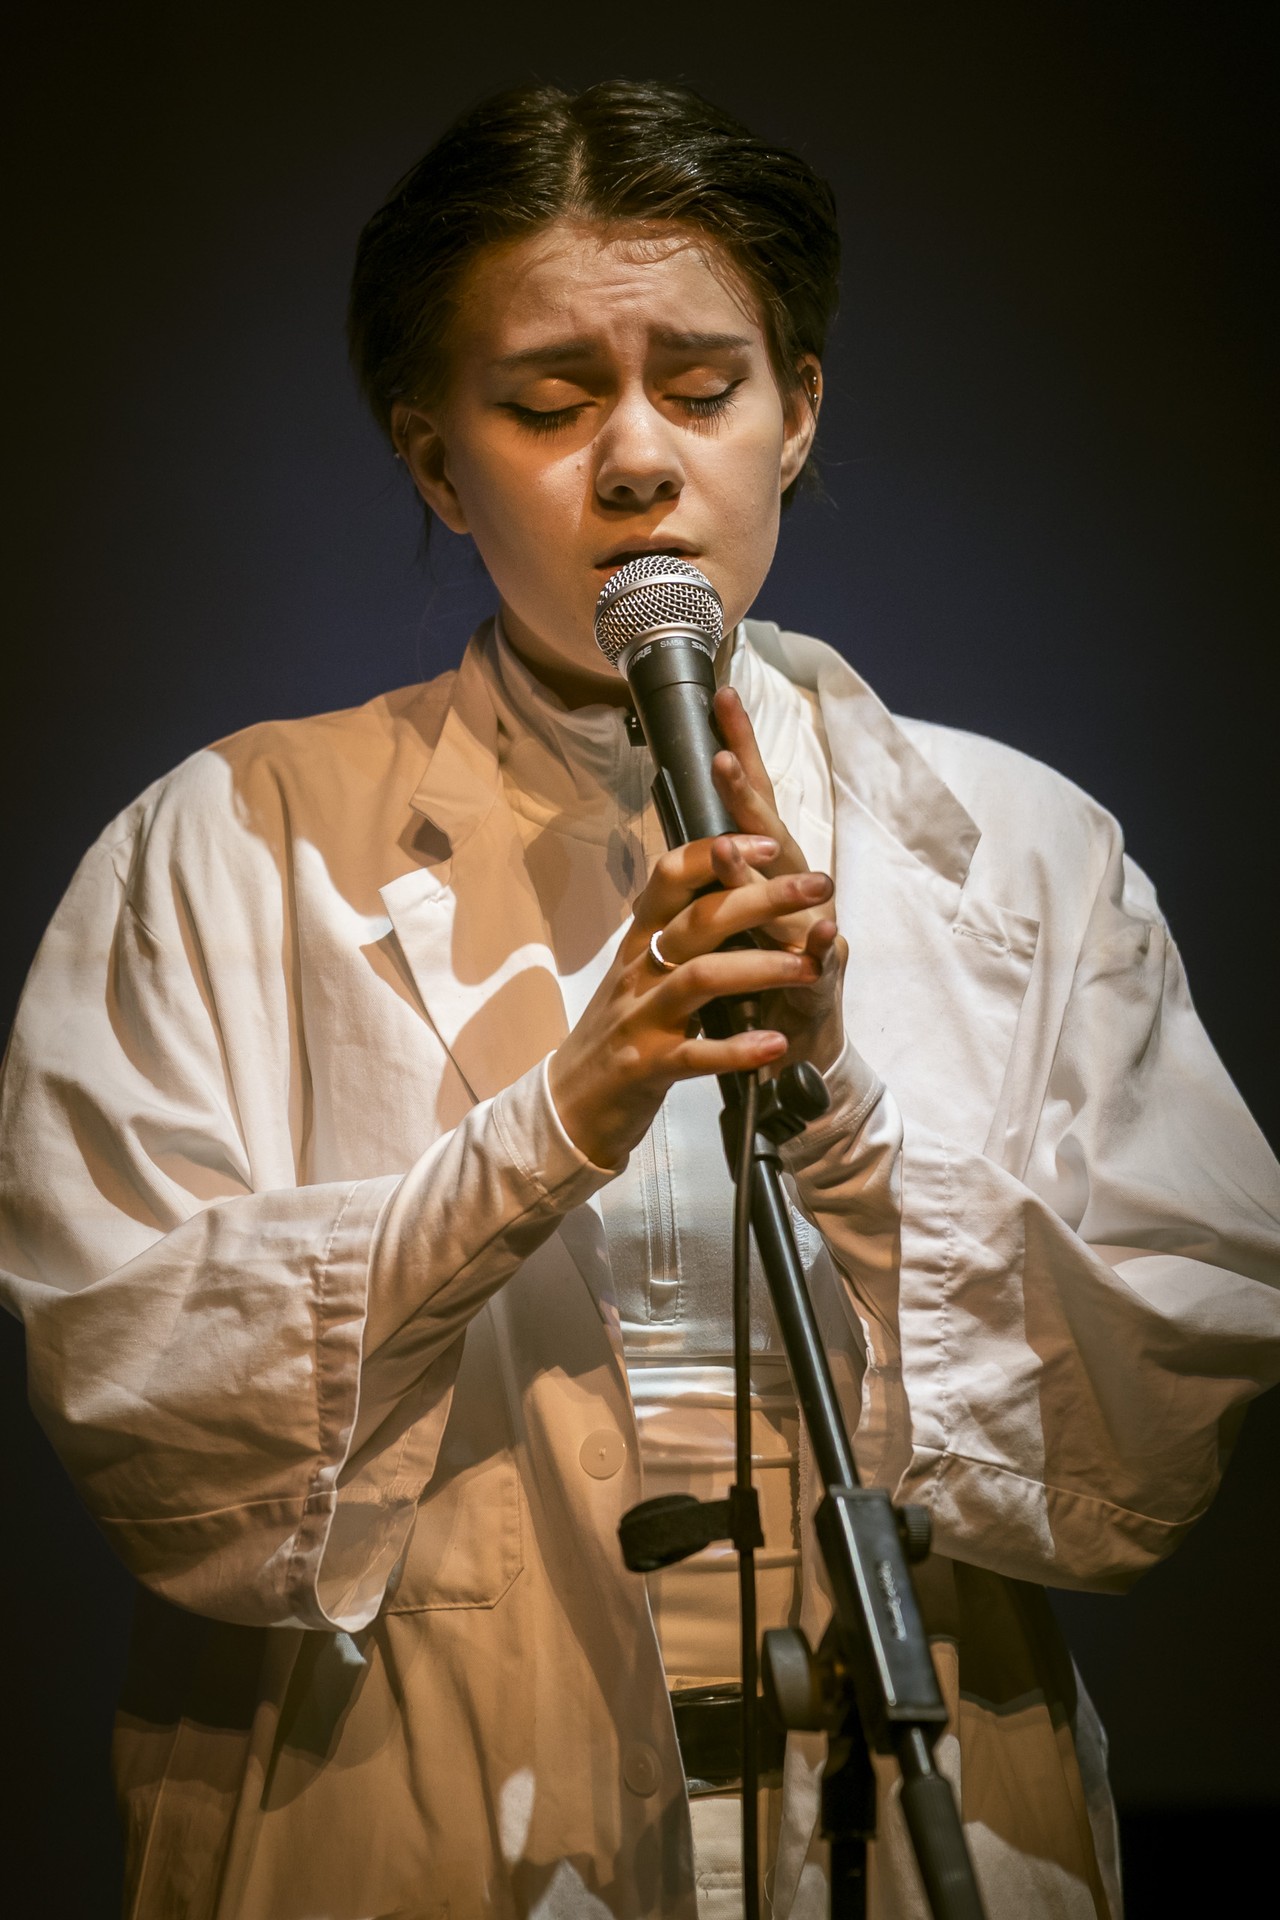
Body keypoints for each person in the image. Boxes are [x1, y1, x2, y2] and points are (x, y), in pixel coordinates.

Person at [1, 78, 1277, 1920]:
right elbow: (138, 1404)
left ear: (798, 411)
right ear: (433, 458)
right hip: (413, 1819)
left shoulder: (1024, 851)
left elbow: (1164, 1416)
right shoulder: (222, 843)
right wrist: (545, 1131)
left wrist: (841, 1122)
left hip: (901, 1813)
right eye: (546, 403)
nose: (634, 460)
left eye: (701, 387)